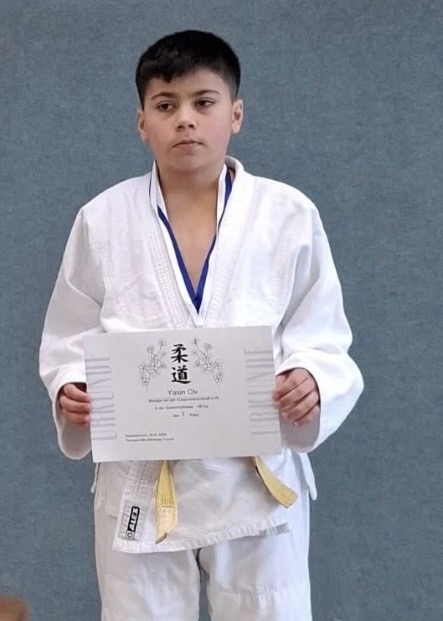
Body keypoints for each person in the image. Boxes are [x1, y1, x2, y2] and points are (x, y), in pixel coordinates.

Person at [39, 29, 363, 621]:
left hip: (253, 475)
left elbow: (322, 331)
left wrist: (311, 378)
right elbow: (70, 332)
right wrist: (72, 386)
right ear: (142, 123)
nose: (185, 119)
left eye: (203, 102)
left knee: (270, 610)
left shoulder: (288, 214)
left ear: (235, 114)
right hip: (142, 475)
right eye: (166, 105)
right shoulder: (102, 219)